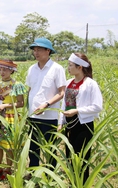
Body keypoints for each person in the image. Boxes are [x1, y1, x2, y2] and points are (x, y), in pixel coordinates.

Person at [58, 53, 102, 183]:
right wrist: (61, 122)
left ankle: (82, 183)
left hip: (83, 125)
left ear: (80, 67)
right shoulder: (68, 83)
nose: (68, 68)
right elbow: (64, 104)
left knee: (82, 158)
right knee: (70, 156)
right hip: (69, 123)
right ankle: (73, 182)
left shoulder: (91, 84)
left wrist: (78, 110)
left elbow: (97, 106)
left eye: (70, 65)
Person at [26, 38, 66, 169]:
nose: (36, 53)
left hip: (49, 117)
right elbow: (30, 90)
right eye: (34, 50)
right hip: (33, 116)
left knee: (50, 149)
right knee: (33, 149)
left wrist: (46, 104)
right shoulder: (32, 69)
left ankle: (50, 177)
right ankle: (32, 173)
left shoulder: (57, 69)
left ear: (48, 51)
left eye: (39, 50)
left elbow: (61, 93)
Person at [0, 59, 27, 180]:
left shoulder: (16, 85)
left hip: (10, 117)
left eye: (5, 69)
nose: (2, 72)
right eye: (0, 69)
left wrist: (5, 106)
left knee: (9, 145)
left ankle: (7, 169)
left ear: (12, 71)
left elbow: (21, 103)